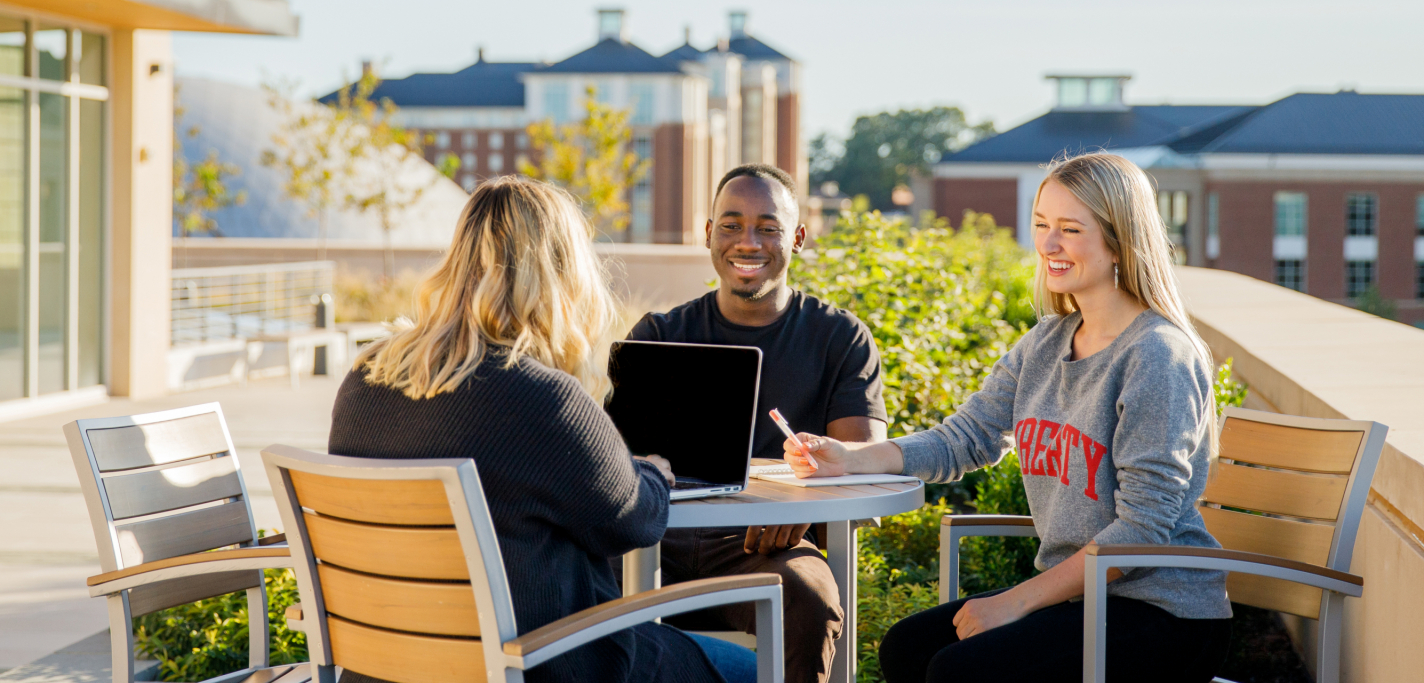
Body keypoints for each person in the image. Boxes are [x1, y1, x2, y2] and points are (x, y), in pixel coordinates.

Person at [783, 152, 1233, 682]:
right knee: (907, 648)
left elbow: (1142, 529)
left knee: (961, 671)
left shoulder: (1157, 355)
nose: (1047, 245)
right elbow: (965, 438)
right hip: (1086, 597)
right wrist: (847, 459)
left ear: (1120, 241)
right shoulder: (1047, 341)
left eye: (1069, 229)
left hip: (1164, 612)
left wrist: (1017, 602)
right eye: (1042, 225)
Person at [327, 175, 755, 683]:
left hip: (384, 664)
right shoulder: (543, 398)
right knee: (751, 668)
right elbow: (633, 523)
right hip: (537, 660)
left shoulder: (366, 375)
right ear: (562, 274)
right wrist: (654, 475)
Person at [625, 163, 885, 683]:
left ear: (798, 239)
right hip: (658, 541)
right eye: (731, 225)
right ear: (708, 234)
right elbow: (613, 460)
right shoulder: (658, 333)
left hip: (768, 548)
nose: (748, 242)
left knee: (808, 598)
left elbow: (863, 463)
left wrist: (800, 503)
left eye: (768, 227)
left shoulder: (839, 339)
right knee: (566, 585)